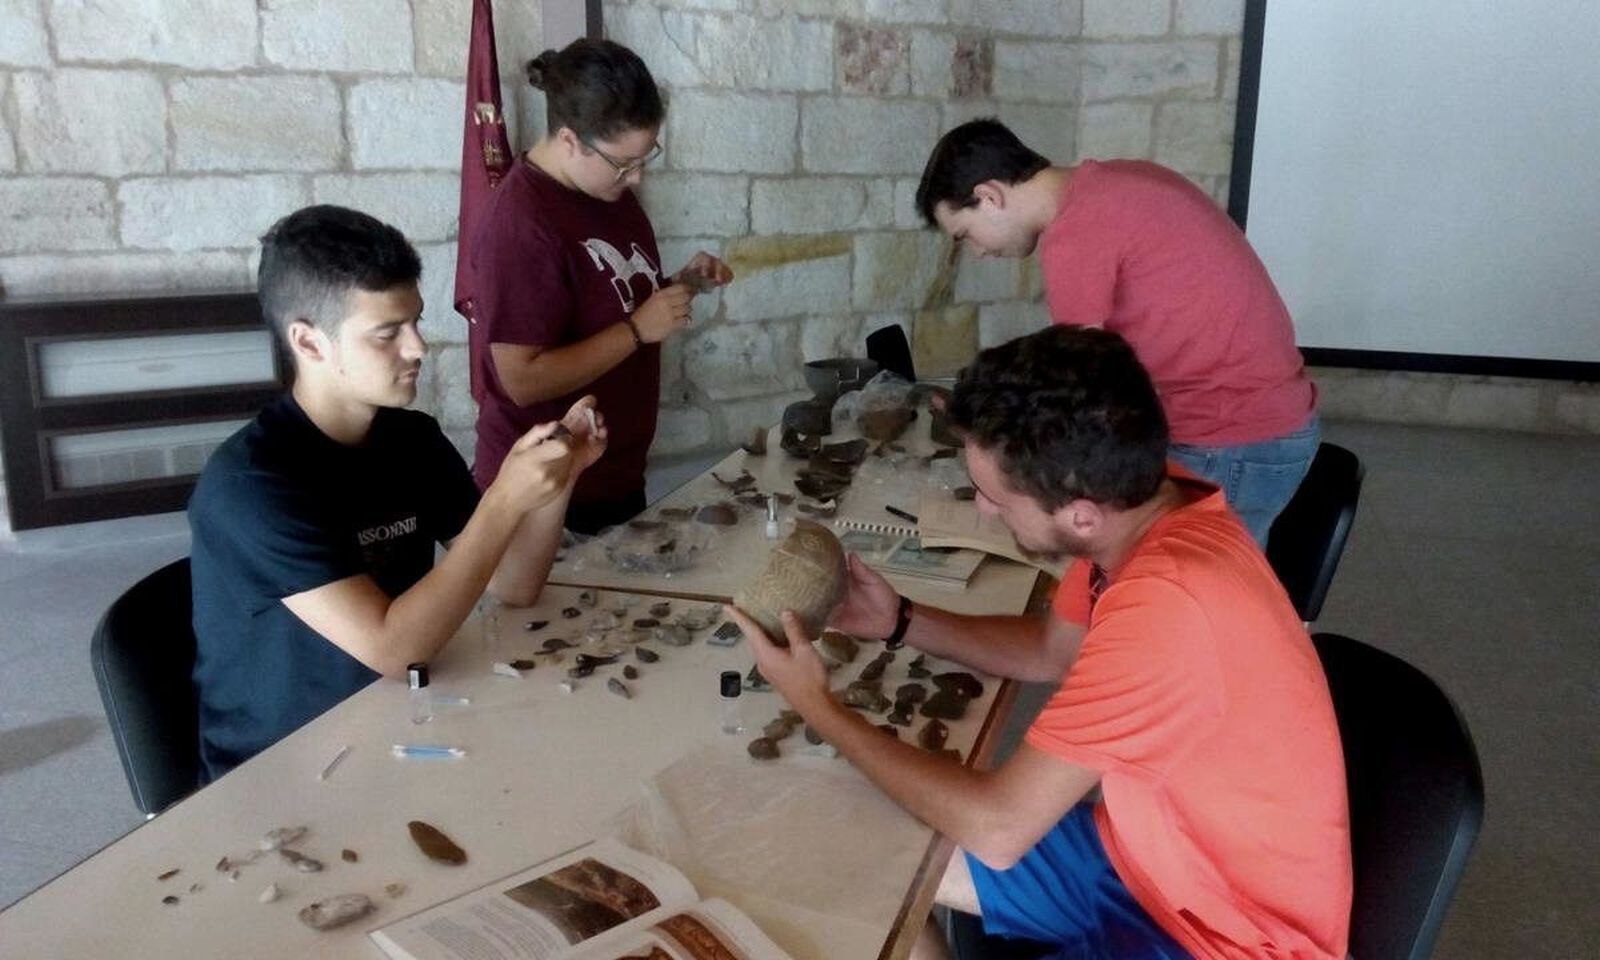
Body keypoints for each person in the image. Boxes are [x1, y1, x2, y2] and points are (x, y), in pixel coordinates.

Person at [727, 326, 1351, 960]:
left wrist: (822, 711)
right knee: (870, 838)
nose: (984, 509)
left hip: (1229, 937)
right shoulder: (1140, 502)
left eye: (995, 497)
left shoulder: (1169, 605)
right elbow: (1052, 651)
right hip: (1153, 861)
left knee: (923, 822)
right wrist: (901, 620)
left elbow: (999, 830)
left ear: (1079, 512)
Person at [189, 205, 608, 781]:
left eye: (415, 322)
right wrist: (505, 501)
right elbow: (394, 649)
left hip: (402, 719)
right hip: (287, 768)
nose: (417, 348)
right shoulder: (253, 485)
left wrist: (559, 479)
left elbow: (514, 585)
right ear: (310, 343)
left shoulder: (410, 438)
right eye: (388, 334)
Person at [915, 119, 1319, 544]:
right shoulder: (1120, 180)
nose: (977, 252)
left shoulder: (1076, 232)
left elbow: (1077, 394)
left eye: (964, 234)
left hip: (1234, 439)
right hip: (1269, 422)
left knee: (1177, 588)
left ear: (989, 196)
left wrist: (987, 436)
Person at [467, 38, 732, 536]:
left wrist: (681, 286)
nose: (634, 178)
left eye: (645, 157)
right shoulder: (521, 221)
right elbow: (519, 380)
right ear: (569, 140)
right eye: (622, 163)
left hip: (615, 475)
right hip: (548, 491)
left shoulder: (605, 190)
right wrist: (637, 330)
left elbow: (610, 302)